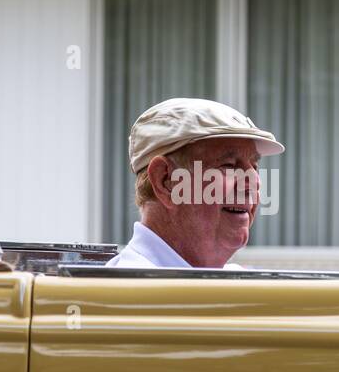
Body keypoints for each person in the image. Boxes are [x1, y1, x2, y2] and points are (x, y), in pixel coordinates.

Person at [107, 98, 284, 269]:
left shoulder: (241, 284)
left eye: (254, 166)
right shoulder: (125, 292)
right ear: (166, 181)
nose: (254, 183)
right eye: (229, 165)